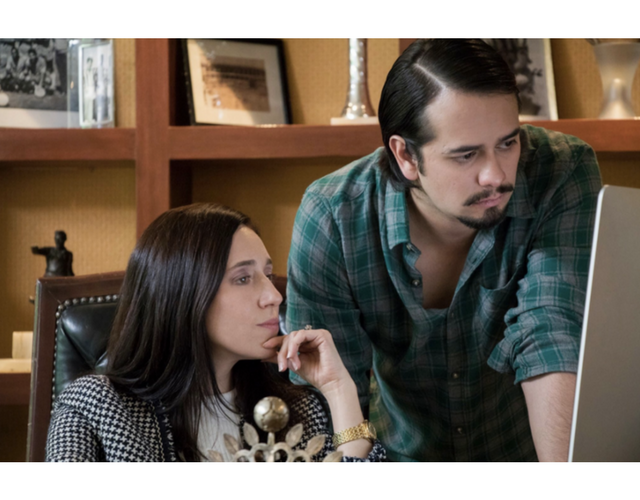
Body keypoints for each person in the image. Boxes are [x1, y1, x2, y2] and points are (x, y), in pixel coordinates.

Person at [286, 39, 602, 462]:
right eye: (466, 155)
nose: (495, 175)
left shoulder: (562, 170)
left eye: (508, 143)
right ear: (406, 155)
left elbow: (552, 330)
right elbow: (327, 396)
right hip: (393, 463)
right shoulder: (333, 215)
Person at [45, 203, 385, 462]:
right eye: (243, 278)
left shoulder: (296, 410)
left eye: (267, 275)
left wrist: (338, 389)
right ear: (182, 294)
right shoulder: (94, 406)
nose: (274, 296)